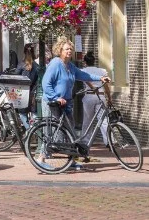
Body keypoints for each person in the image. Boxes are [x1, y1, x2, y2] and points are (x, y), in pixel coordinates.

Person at [42, 37, 111, 170]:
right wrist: (56, 97)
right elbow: (46, 83)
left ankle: (71, 160)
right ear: (60, 50)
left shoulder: (70, 65)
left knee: (71, 132)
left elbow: (83, 75)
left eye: (71, 49)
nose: (70, 51)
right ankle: (41, 157)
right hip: (56, 102)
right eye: (67, 49)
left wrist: (100, 78)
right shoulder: (56, 63)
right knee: (61, 132)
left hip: (67, 102)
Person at [79, 51, 110, 148]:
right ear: (94, 61)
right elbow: (106, 86)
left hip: (89, 96)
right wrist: (109, 97)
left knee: (87, 120)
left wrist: (92, 88)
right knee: (104, 120)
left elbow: (86, 81)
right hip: (100, 96)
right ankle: (108, 141)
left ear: (85, 62)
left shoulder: (83, 71)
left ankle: (86, 142)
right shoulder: (102, 71)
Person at [15, 44, 42, 125]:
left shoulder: (21, 64)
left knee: (22, 113)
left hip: (22, 93)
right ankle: (34, 130)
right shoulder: (37, 66)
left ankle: (28, 129)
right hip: (33, 94)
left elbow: (15, 76)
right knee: (34, 114)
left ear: (24, 52)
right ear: (34, 53)